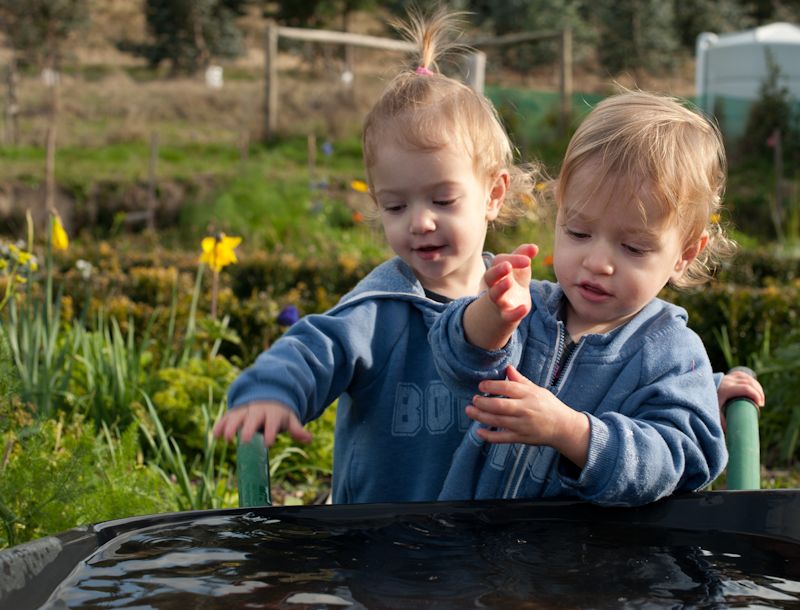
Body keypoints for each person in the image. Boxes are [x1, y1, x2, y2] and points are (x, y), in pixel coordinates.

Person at [213, 6, 541, 503]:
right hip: (380, 548)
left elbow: (594, 360)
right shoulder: (383, 307)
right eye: (395, 204)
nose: (420, 221)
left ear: (493, 195)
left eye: (443, 200)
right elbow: (313, 349)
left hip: (488, 546)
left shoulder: (518, 300)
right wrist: (270, 393)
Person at [429, 90, 762, 506]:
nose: (598, 262)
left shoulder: (672, 354)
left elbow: (681, 459)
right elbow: (455, 365)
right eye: (578, 233)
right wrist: (490, 319)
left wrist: (572, 432)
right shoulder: (528, 310)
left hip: (585, 564)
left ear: (685, 254)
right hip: (472, 545)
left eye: (634, 248)